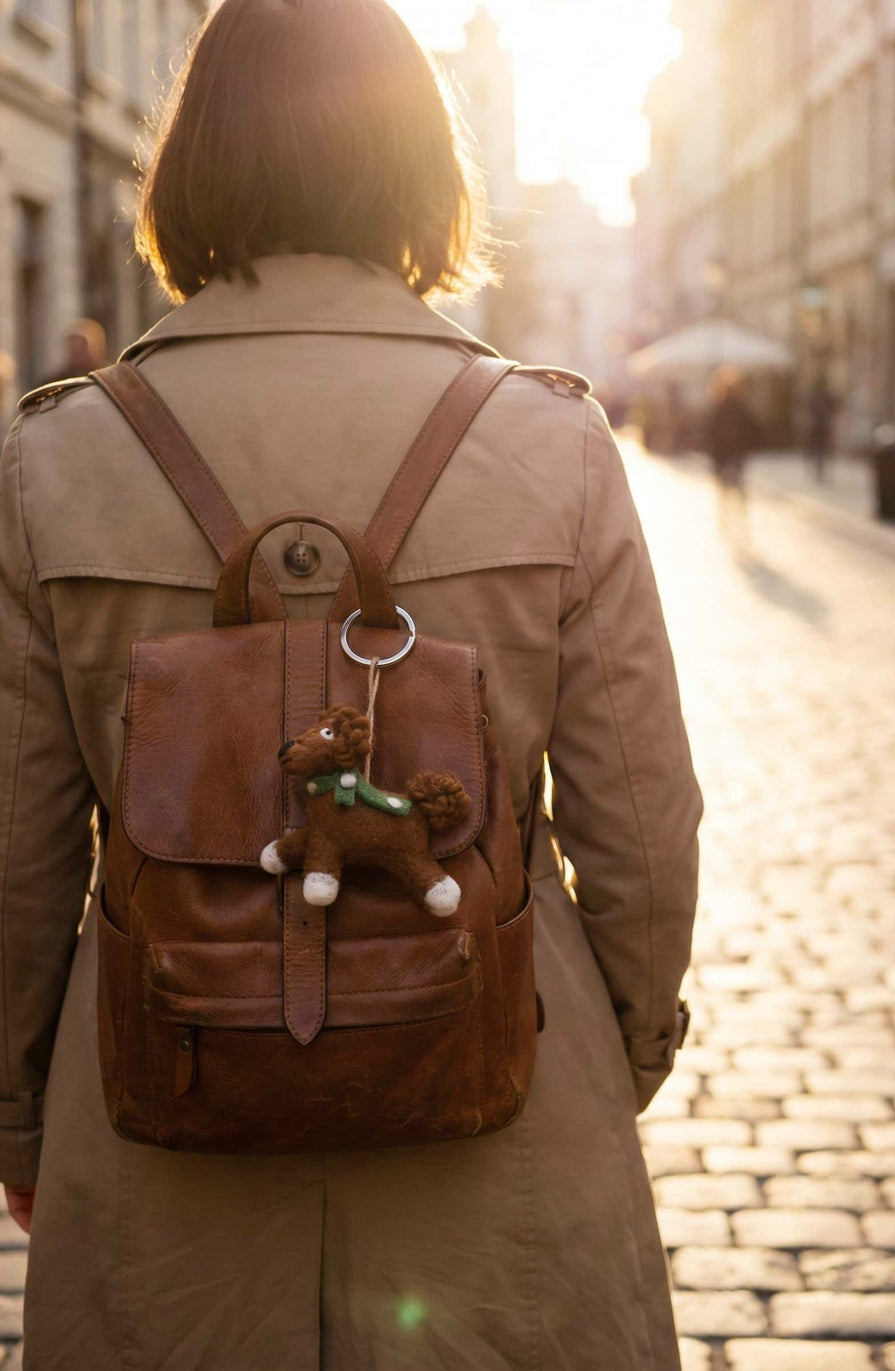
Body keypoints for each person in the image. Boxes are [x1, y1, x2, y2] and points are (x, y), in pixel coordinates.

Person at [0, 2, 702, 1368]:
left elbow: (12, 861)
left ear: (189, 164)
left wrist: (22, 1119)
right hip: (500, 1108)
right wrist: (611, 1051)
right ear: (423, 166)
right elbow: (645, 825)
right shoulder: (551, 442)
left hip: (162, 1119)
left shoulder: (57, 459)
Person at [706, 364, 761, 543]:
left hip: (723, 456)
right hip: (736, 456)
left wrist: (714, 457)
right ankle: (740, 521)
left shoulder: (719, 407)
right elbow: (754, 429)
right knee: (738, 491)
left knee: (725, 491)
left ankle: (726, 521)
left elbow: (710, 434)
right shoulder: (740, 407)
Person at [35, 317, 107, 388]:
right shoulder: (55, 383)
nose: (78, 352)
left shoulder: (107, 380)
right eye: (74, 348)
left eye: (82, 347)